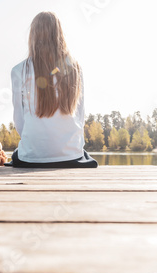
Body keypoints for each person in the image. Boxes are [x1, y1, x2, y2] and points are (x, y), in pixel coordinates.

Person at [6, 11, 97, 168]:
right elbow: (80, 116)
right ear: (59, 35)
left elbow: (19, 119)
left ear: (33, 36)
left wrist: (34, 145)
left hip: (32, 156)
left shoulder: (18, 70)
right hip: (71, 154)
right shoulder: (75, 68)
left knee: (17, 154)